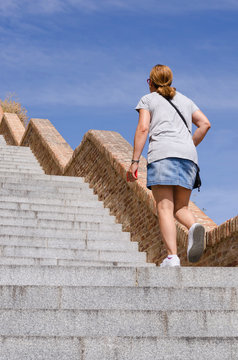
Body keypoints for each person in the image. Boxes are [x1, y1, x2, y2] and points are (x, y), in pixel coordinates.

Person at [127, 64, 211, 267]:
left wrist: (135, 161)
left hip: (163, 154)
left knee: (165, 207)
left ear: (150, 82)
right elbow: (205, 123)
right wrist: (189, 145)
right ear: (170, 80)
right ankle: (194, 226)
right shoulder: (185, 100)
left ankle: (172, 257)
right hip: (188, 157)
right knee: (181, 207)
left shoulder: (148, 99)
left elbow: (143, 128)